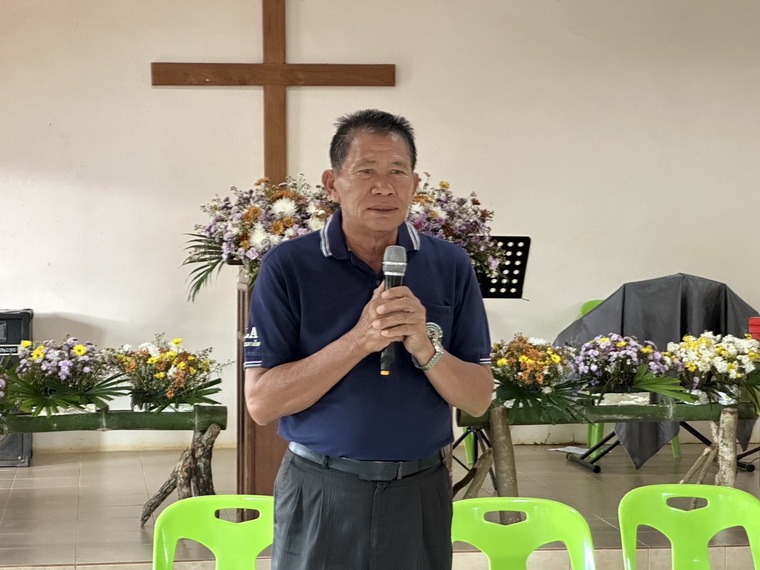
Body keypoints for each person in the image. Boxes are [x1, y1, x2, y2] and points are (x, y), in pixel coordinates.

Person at [244, 109, 494, 570]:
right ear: (332, 183)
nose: (384, 187)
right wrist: (359, 340)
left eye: (397, 172)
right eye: (365, 171)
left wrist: (425, 347)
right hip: (321, 488)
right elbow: (261, 403)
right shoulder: (289, 266)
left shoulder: (450, 264)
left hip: (420, 489)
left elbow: (478, 398)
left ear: (414, 184)